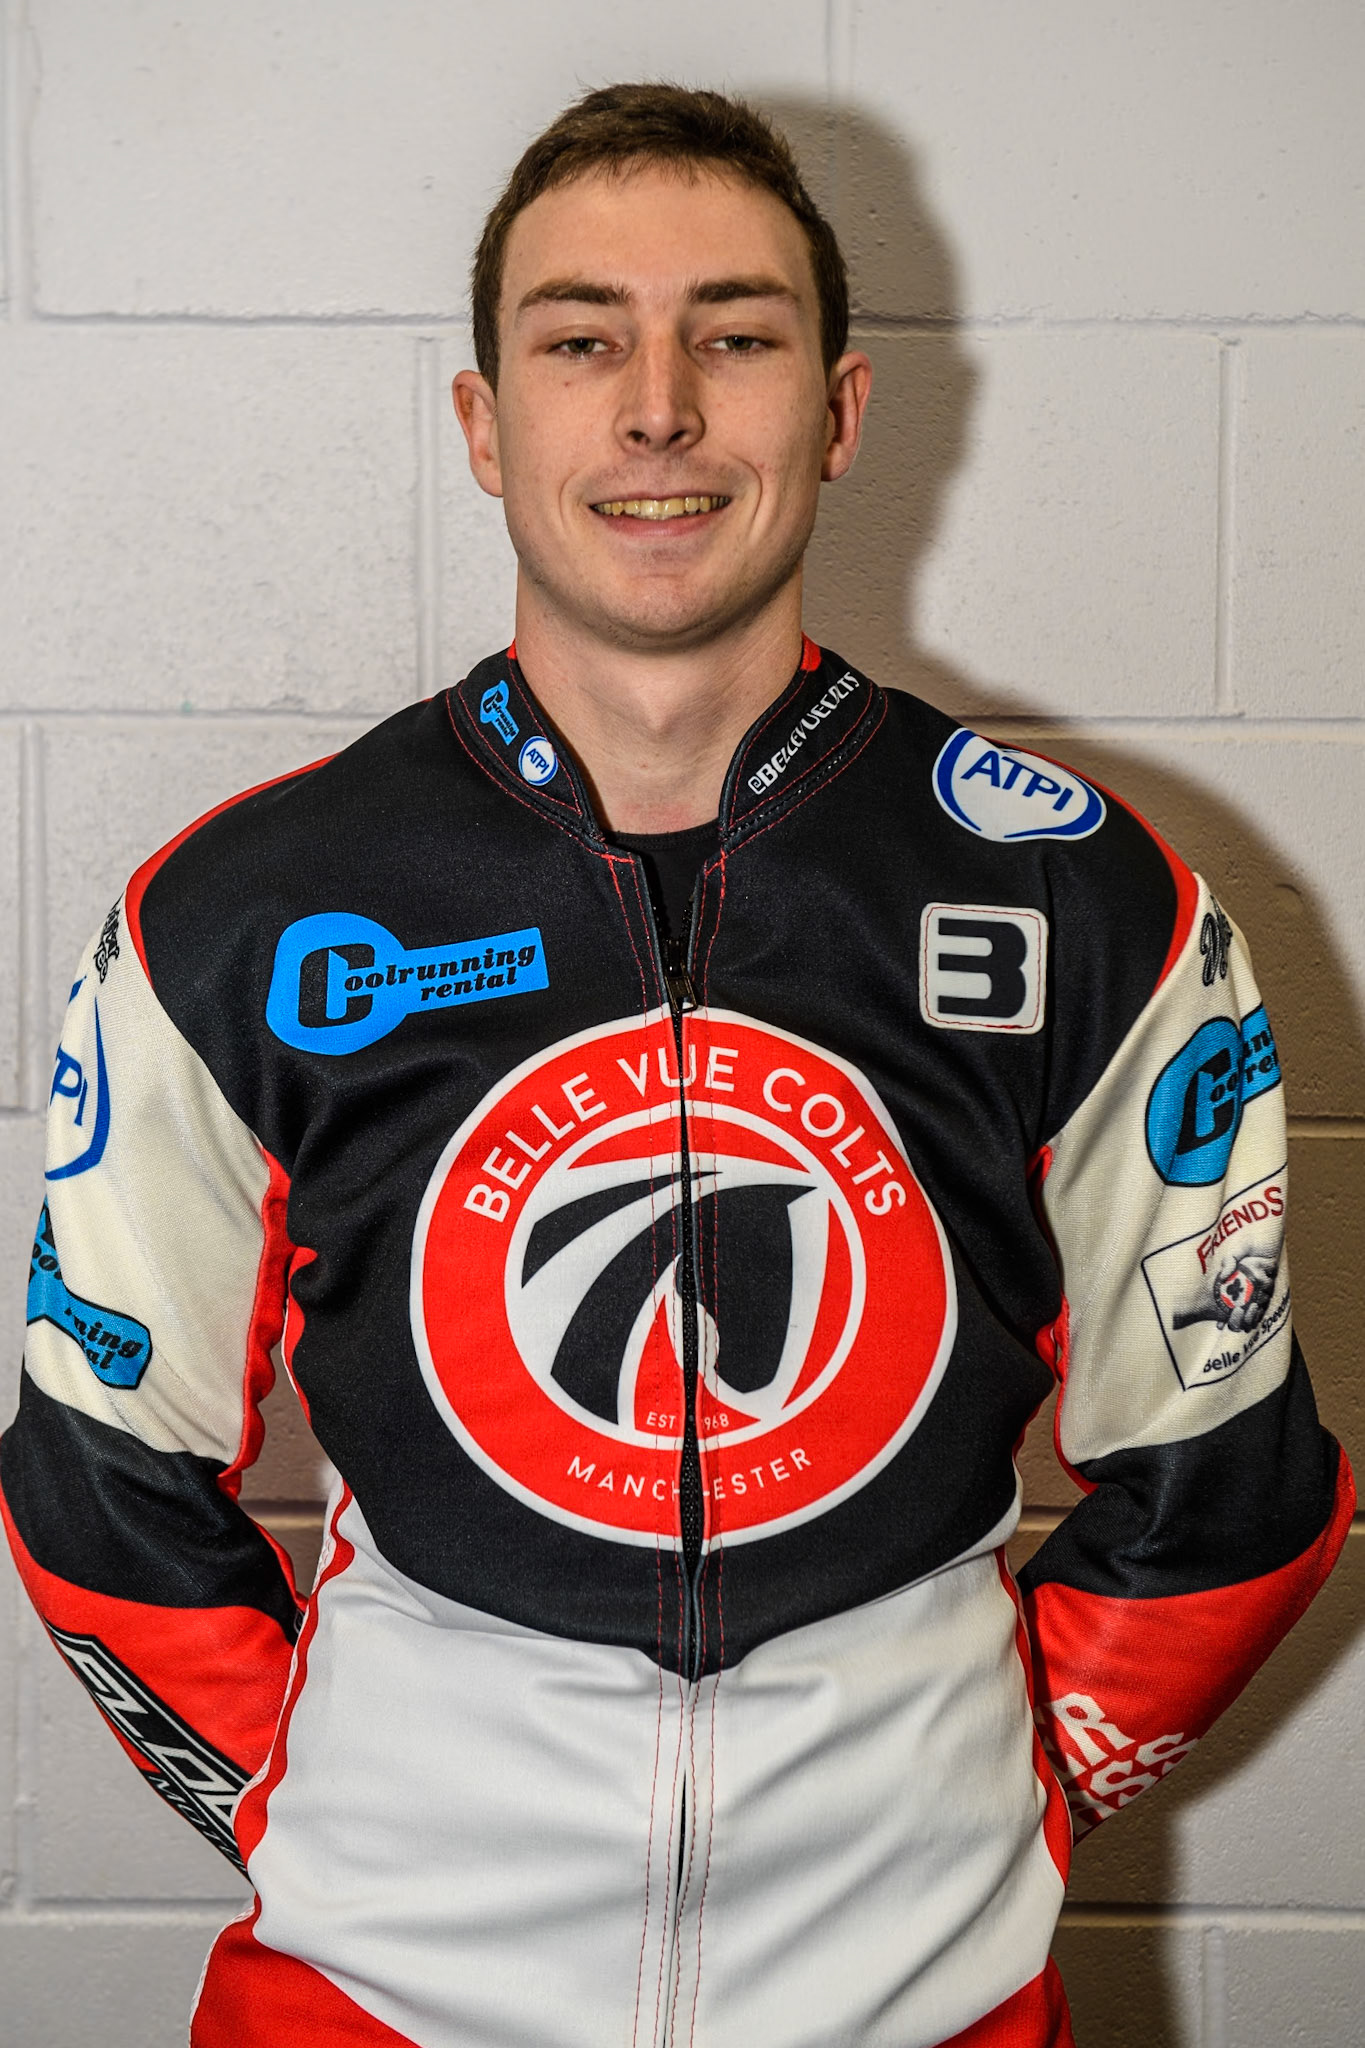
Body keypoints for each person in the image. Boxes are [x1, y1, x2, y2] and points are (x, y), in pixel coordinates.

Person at [1, 82, 1351, 2048]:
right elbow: (95, 1486)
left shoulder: (1091, 904)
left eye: (732, 334)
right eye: (578, 339)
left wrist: (991, 1807)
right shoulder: (237, 916)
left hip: (928, 2008)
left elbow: (1224, 1493)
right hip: (368, 2005)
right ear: (482, 423)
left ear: (837, 412)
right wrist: (315, 1820)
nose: (656, 406)